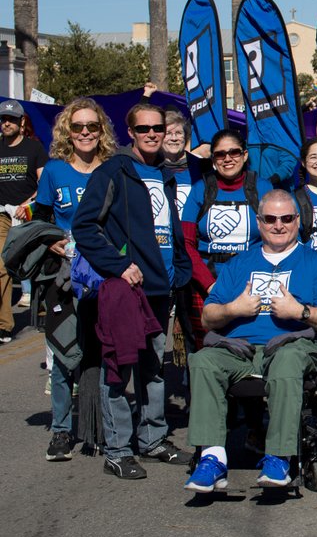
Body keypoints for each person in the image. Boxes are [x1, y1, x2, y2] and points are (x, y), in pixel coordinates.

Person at [183, 190, 317, 492]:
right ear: (259, 222)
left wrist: (301, 311)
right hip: (240, 348)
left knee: (286, 361)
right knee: (203, 361)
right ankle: (212, 459)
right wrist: (234, 309)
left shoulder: (314, 263)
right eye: (270, 219)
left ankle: (279, 456)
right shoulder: (239, 263)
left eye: (286, 218)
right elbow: (208, 317)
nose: (278, 225)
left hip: (292, 344)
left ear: (297, 221)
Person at [72, 102, 193, 479]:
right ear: (131, 133)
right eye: (144, 129)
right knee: (118, 369)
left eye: (158, 128)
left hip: (161, 289)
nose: (153, 134)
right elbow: (85, 225)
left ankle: (152, 438)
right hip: (126, 290)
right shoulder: (114, 171)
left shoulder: (165, 173)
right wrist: (119, 265)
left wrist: (181, 270)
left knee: (153, 369)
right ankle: (118, 449)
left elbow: (170, 229)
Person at [32, 98, 117, 461]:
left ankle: (99, 429)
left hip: (103, 275)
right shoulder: (54, 171)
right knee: (64, 352)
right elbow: (40, 220)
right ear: (68, 130)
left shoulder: (114, 168)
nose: (85, 133)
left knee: (100, 354)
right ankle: (62, 431)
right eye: (78, 127)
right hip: (64, 276)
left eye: (92, 127)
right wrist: (57, 244)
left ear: (101, 132)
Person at [180, 130, 274, 351]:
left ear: (244, 154)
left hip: (251, 284)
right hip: (206, 284)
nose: (228, 158)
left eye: (233, 152)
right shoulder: (200, 190)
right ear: (213, 159)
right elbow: (186, 243)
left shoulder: (263, 188)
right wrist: (209, 284)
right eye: (220, 154)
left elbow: (276, 238)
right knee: (206, 350)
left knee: (249, 347)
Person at [0, 98, 47, 341]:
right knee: (1, 267)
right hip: (2, 216)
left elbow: (43, 183)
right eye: (3, 119)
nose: (6, 123)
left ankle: (43, 307)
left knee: (34, 264)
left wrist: (28, 205)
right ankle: (5, 325)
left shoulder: (33, 149)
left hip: (27, 215)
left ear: (21, 122)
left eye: (11, 119)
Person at [162, 110, 205, 218]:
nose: (174, 138)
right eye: (168, 133)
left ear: (185, 137)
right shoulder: (153, 168)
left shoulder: (202, 167)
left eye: (178, 133)